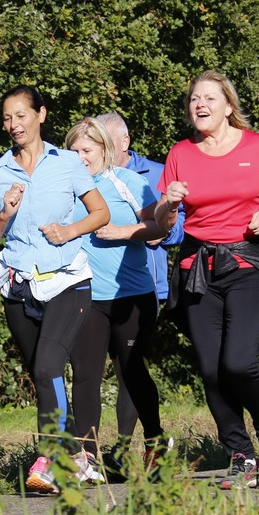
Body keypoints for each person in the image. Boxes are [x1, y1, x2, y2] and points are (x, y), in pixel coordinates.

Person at [154, 70, 259, 489]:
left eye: (209, 98)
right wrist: (168, 204)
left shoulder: (258, 146)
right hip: (198, 270)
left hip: (248, 264)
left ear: (228, 106)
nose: (200, 105)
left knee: (239, 362)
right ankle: (239, 454)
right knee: (211, 370)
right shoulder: (180, 153)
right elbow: (161, 221)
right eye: (194, 99)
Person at [0, 85, 111, 494]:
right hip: (19, 285)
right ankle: (73, 456)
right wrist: (5, 213)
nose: (14, 124)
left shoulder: (67, 162)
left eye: (21, 115)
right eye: (7, 118)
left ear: (41, 115)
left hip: (67, 280)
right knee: (43, 375)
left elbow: (100, 213)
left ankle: (50, 459)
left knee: (48, 366)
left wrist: (69, 231)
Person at [64, 117, 168, 478]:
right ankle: (87, 457)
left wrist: (123, 232)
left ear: (104, 150)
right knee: (85, 374)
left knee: (132, 372)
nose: (80, 158)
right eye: (74, 151)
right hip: (84, 293)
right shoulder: (64, 188)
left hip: (131, 295)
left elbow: (159, 229)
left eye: (87, 150)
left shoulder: (128, 182)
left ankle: (154, 442)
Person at [94, 111, 184, 474]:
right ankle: (109, 453)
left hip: (143, 285)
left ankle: (128, 447)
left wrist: (154, 231)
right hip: (93, 288)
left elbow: (179, 228)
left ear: (124, 142)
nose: (99, 150)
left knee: (128, 367)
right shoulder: (84, 176)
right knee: (97, 369)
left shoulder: (154, 173)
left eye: (106, 143)